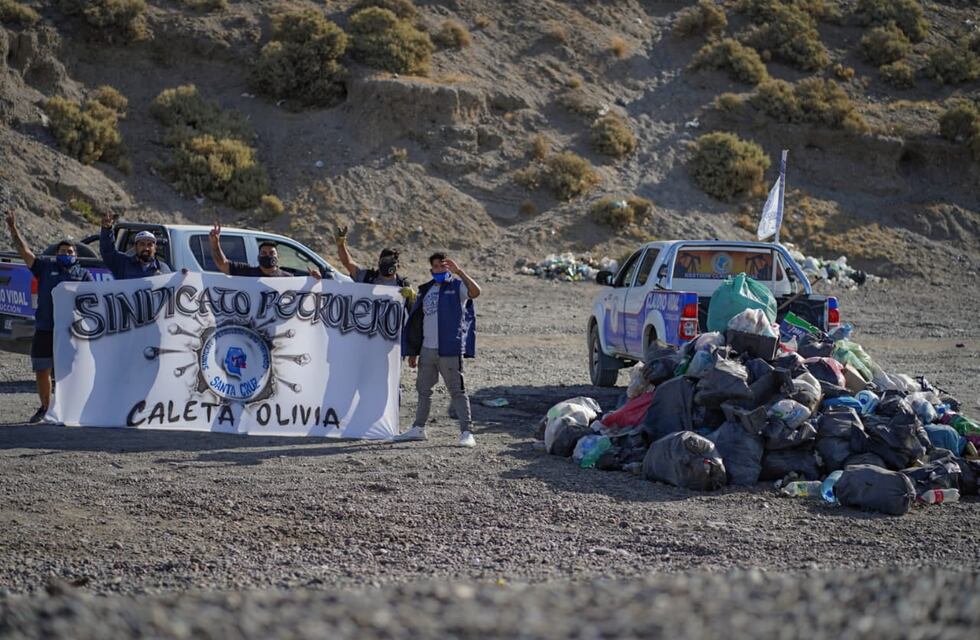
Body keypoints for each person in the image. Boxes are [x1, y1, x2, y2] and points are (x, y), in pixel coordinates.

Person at [5, 210, 93, 423]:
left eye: (70, 251)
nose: (67, 254)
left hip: (71, 331)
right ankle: (45, 407)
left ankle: (70, 408)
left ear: (76, 255)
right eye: (63, 250)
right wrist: (13, 229)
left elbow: (94, 300)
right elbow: (25, 253)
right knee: (42, 369)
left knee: (69, 371)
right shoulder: (45, 267)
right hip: (45, 328)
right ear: (57, 253)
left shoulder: (84, 275)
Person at [397, 252, 481, 447]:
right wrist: (413, 351)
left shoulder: (457, 286)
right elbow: (418, 321)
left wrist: (460, 272)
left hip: (449, 349)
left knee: (457, 391)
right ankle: (418, 428)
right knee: (423, 390)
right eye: (436, 266)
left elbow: (476, 292)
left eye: (444, 266)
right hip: (427, 349)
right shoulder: (426, 290)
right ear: (431, 269)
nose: (440, 269)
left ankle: (467, 432)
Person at [334, 225, 415, 306]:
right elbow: (347, 262)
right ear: (379, 263)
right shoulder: (367, 277)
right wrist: (341, 244)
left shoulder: (403, 285)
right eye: (385, 261)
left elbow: (414, 310)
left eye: (391, 261)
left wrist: (412, 297)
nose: (387, 264)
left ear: (398, 266)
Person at [209, 221, 320, 279]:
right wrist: (215, 244)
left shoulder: (288, 278)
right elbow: (222, 264)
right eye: (264, 253)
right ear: (258, 257)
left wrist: (314, 280)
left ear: (278, 257)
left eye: (271, 253)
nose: (268, 256)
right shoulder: (246, 272)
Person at [99, 212, 172, 279]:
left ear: (155, 248)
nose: (146, 248)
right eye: (142, 244)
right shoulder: (123, 263)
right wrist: (107, 229)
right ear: (135, 247)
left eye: (149, 245)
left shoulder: (163, 269)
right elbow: (107, 251)